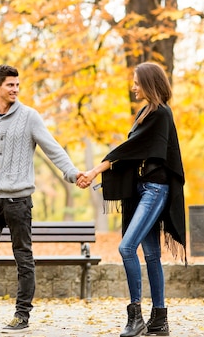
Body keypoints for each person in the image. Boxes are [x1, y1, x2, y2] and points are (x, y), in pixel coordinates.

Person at [0, 64, 85, 334]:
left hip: (18, 202)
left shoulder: (30, 117)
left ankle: (22, 315)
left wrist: (72, 173)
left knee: (23, 258)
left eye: (18, 85)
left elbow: (52, 148)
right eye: (10, 85)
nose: (16, 89)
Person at [77, 62, 186, 337]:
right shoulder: (145, 112)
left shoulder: (161, 114)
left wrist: (94, 170)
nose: (133, 87)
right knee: (150, 255)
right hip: (141, 190)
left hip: (155, 190)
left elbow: (127, 149)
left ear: (149, 83)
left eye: (137, 82)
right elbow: (132, 154)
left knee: (126, 248)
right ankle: (159, 320)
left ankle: (135, 315)